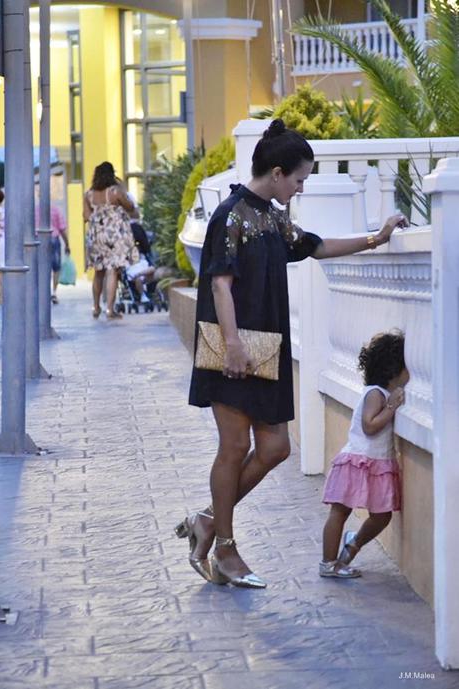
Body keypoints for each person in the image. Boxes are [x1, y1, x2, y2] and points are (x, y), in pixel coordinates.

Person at [175, 118, 408, 589]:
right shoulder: (232, 214)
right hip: (234, 348)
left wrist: (374, 239)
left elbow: (314, 247)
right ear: (277, 172)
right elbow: (220, 282)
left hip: (267, 348)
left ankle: (206, 520)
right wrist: (235, 344)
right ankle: (225, 548)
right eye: (299, 179)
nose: (299, 188)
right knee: (236, 447)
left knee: (276, 448)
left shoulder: (273, 217)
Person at [320, 331, 409, 578]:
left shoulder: (383, 393)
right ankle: (328, 563)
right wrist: (391, 407)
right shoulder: (375, 394)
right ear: (394, 369)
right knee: (339, 512)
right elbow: (369, 426)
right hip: (358, 462)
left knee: (382, 516)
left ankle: (352, 546)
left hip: (379, 464)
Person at [83, 162, 138, 319]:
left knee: (98, 271)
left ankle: (95, 307)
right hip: (114, 235)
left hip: (96, 236)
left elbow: (86, 216)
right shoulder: (115, 191)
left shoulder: (88, 194)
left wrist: (98, 214)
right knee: (112, 270)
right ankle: (109, 309)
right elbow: (130, 207)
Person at [35, 203, 70, 304]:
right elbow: (62, 229)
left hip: (38, 239)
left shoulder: (34, 209)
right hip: (53, 238)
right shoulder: (55, 210)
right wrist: (67, 244)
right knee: (56, 267)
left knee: (40, 267)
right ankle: (54, 292)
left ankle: (42, 292)